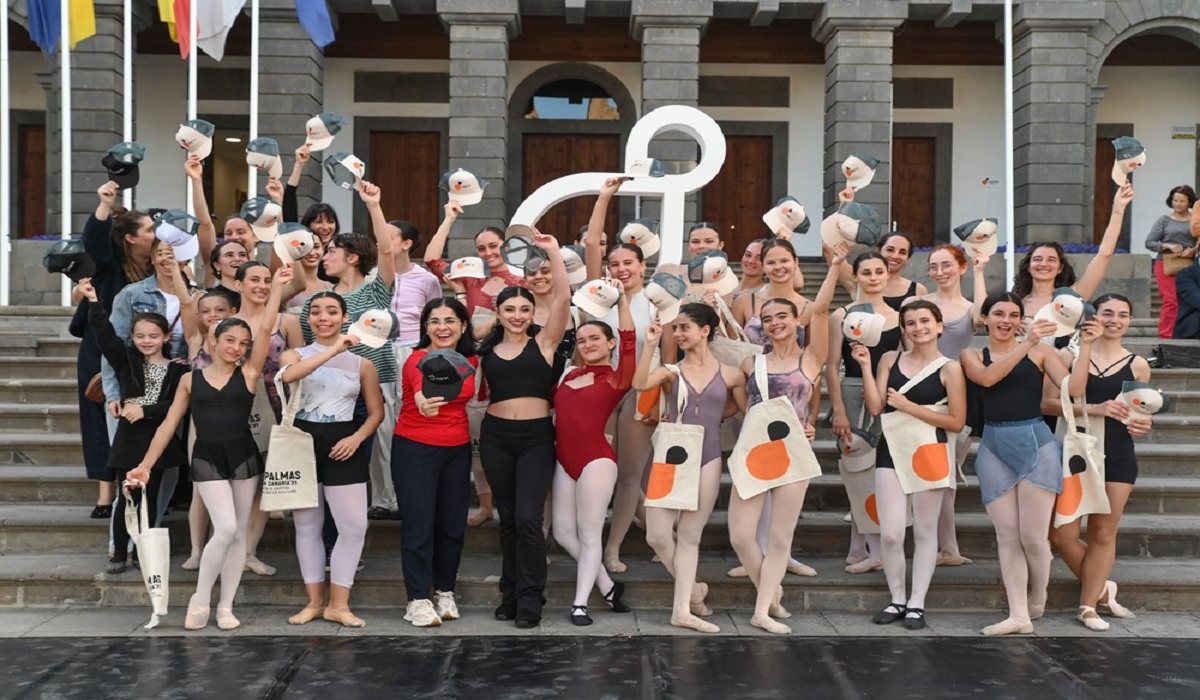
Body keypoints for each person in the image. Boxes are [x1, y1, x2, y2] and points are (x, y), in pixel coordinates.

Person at [128, 265, 292, 631]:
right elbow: (169, 426)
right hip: (208, 459)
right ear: (214, 341)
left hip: (243, 457)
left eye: (244, 345)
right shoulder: (190, 380)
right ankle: (200, 598)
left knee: (236, 534)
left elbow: (266, 327)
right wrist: (145, 465)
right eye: (230, 341)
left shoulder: (249, 374)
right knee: (228, 528)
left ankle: (225, 606)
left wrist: (278, 287)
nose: (237, 348)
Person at [960, 291, 1098, 636]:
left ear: (1021, 319)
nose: (1006, 320)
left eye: (1013, 314)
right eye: (999, 314)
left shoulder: (1040, 351)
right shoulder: (972, 353)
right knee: (1007, 536)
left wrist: (1088, 347)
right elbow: (988, 378)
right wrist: (1027, 343)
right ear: (985, 319)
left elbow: (1074, 388)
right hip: (993, 446)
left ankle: (1039, 594)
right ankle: (1018, 614)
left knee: (1034, 539)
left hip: (1035, 444)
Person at [728, 254, 840, 635]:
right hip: (755, 453)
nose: (775, 323)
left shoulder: (811, 360)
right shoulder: (749, 363)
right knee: (740, 534)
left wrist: (836, 267)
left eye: (783, 317)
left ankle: (762, 610)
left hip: (793, 454)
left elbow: (822, 309)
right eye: (768, 319)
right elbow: (738, 402)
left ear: (796, 322)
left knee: (779, 537)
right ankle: (770, 593)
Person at [633, 303, 748, 634]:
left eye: (684, 327)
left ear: (705, 330)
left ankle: (682, 609)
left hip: (709, 456)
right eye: (676, 328)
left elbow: (746, 412)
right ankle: (694, 589)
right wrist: (652, 343)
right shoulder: (670, 371)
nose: (678, 334)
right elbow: (640, 384)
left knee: (689, 535)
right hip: (670, 456)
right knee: (656, 535)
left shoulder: (732, 374)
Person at [477, 232, 571, 629]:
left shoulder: (546, 343)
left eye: (523, 309)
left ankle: (532, 597)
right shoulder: (487, 352)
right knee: (510, 518)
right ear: (498, 314)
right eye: (509, 309)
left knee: (531, 518)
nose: (517, 315)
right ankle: (510, 593)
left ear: (534, 314)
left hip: (535, 437)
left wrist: (552, 250)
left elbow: (564, 299)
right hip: (496, 437)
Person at [857, 301, 967, 631]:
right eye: (910, 323)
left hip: (930, 451)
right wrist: (865, 365)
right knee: (890, 533)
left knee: (923, 529)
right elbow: (876, 406)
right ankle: (897, 598)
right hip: (891, 448)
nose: (917, 327)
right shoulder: (890, 359)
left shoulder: (950, 368)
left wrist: (908, 406)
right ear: (903, 329)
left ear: (938, 326)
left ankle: (917, 602)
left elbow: (957, 422)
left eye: (924, 321)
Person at [1045, 294, 1150, 631]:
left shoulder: (1137, 364)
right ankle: (1104, 588)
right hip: (1075, 450)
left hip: (1117, 452)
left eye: (1123, 314)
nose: (1114, 320)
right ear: (1093, 317)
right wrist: (1093, 409)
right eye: (1107, 313)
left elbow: (1138, 412)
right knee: (1061, 534)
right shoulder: (1067, 354)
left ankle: (1088, 605)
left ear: (1129, 321)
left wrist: (1142, 423)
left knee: (1103, 532)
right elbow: (1047, 404)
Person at [280, 292, 383, 628]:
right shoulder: (294, 354)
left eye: (332, 312)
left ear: (344, 317)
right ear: (308, 319)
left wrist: (356, 438)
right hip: (301, 443)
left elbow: (376, 412)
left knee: (354, 526)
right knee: (306, 525)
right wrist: (334, 349)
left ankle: (339, 604)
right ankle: (314, 602)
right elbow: (290, 377)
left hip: (344, 443)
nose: (324, 317)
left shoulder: (362, 363)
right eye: (317, 312)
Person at [300, 183, 398, 522]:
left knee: (376, 456)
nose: (323, 256)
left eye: (330, 252)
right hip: (331, 392)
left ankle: (375, 514)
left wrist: (374, 205)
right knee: (335, 466)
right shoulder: (318, 302)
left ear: (352, 257)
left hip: (376, 384)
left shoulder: (375, 291)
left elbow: (386, 253)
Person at [80, 279, 188, 574]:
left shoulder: (178, 369)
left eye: (153, 335)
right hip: (129, 438)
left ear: (166, 337)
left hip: (158, 439)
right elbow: (104, 336)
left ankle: (143, 551)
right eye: (140, 336)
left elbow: (175, 406)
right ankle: (119, 553)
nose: (146, 341)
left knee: (151, 501)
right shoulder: (126, 360)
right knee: (125, 495)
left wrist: (146, 409)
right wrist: (93, 301)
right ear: (133, 337)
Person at [582, 180, 659, 575]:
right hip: (597, 394)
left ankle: (613, 548)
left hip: (636, 395)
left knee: (629, 474)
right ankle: (589, 542)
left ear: (643, 266)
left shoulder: (658, 300)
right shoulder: (600, 295)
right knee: (598, 469)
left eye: (628, 263)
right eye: (615, 264)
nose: (620, 269)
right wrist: (604, 196)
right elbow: (592, 244)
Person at [552, 287, 635, 626]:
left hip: (596, 461)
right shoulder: (568, 375)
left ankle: (580, 604)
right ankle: (608, 586)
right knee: (562, 533)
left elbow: (630, 339)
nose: (587, 345)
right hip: (564, 460)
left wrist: (622, 299)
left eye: (595, 339)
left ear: (610, 343)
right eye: (582, 340)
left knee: (588, 534)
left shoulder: (617, 378)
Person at [392, 298, 479, 627]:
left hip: (456, 450)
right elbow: (420, 389)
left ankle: (445, 591)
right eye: (434, 321)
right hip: (415, 450)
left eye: (450, 320)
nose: (442, 327)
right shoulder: (417, 359)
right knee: (419, 525)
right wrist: (424, 404)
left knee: (452, 525)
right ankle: (417, 599)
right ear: (425, 327)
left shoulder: (470, 359)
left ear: (462, 326)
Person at [74, 182, 153, 519]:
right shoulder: (109, 266)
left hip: (142, 354)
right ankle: (105, 493)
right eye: (150, 229)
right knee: (99, 417)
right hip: (99, 351)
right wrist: (105, 205)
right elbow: (93, 244)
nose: (156, 233)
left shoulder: (154, 270)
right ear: (132, 238)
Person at [910, 244, 988, 568]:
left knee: (949, 472)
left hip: (957, 395)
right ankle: (930, 542)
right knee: (923, 470)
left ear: (961, 268)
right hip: (921, 391)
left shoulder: (969, 306)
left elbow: (982, 316)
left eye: (947, 265)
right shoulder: (920, 304)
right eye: (933, 266)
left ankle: (949, 548)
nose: (940, 272)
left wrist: (981, 271)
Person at [827, 252, 903, 573]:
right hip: (852, 392)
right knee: (856, 468)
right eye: (866, 272)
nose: (873, 277)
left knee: (879, 473)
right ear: (856, 276)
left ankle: (861, 546)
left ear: (888, 275)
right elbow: (831, 366)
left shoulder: (901, 317)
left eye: (879, 271)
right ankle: (868, 548)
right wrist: (839, 410)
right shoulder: (841, 315)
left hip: (887, 396)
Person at [232, 261, 305, 577]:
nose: (261, 285)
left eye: (267, 280)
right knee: (237, 482)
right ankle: (230, 550)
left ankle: (249, 551)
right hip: (237, 407)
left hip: (279, 404)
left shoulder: (287, 320)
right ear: (239, 285)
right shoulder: (226, 323)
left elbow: (302, 363)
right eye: (254, 280)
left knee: (265, 482)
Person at [165, 268, 237, 572]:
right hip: (201, 423)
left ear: (233, 312)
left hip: (236, 423)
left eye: (220, 310)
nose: (213, 315)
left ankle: (230, 550)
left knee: (233, 490)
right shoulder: (195, 338)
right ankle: (197, 550)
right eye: (206, 311)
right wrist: (174, 271)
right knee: (200, 489)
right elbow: (184, 303)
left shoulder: (238, 338)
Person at [1013, 182, 1134, 318]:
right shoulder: (1015, 305)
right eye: (1037, 259)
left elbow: (1104, 253)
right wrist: (982, 269)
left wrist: (1119, 206)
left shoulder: (1073, 297)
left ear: (1060, 268)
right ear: (1028, 267)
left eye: (1051, 259)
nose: (1043, 264)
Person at [1144, 185, 1198, 338]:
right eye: (1175, 200)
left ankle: (1183, 333)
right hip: (1166, 264)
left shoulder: (1195, 220)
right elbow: (1149, 243)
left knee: (1188, 301)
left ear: (1189, 202)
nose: (1178, 204)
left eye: (1182, 201)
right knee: (1170, 300)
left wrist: (1194, 250)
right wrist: (1168, 245)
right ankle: (1166, 335)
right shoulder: (1164, 220)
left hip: (1189, 265)